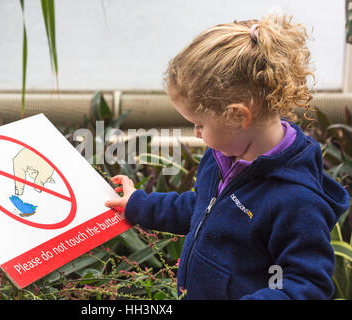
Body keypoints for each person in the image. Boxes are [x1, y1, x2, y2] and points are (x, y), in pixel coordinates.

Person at [104, 14, 350, 299]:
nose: (196, 133)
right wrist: (139, 205)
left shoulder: (295, 200)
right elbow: (202, 207)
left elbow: (306, 285)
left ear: (238, 115)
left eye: (199, 124)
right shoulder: (222, 156)